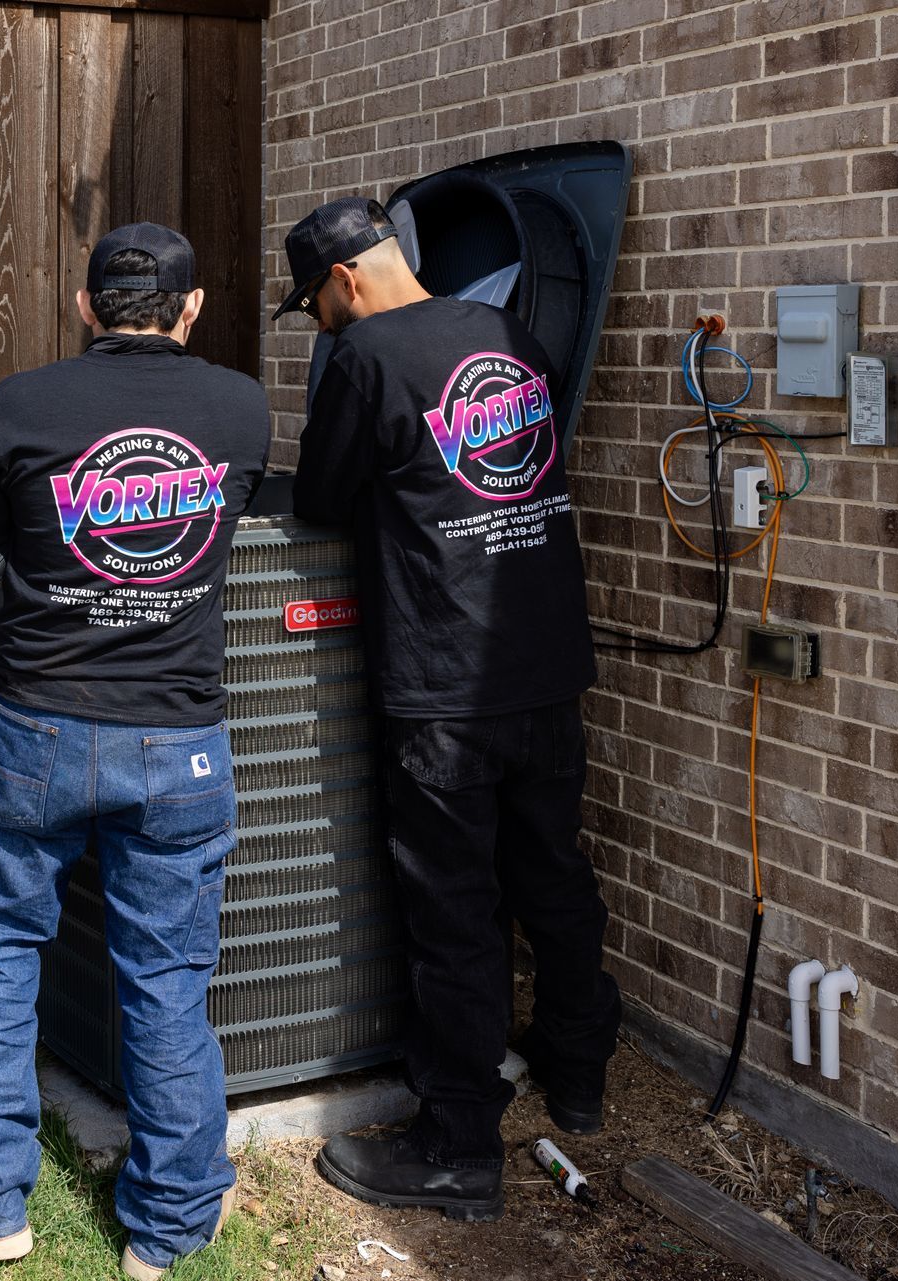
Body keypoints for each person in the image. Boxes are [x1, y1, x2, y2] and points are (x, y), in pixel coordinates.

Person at [0, 223, 269, 1278]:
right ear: (193, 308)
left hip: (35, 727)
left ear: (84, 309)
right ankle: (166, 1233)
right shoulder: (240, 409)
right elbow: (227, 531)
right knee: (166, 979)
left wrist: (27, 608)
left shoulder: (21, 406)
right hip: (178, 742)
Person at [274, 197, 621, 1222]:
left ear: (342, 282)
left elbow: (319, 501)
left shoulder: (367, 358)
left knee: (455, 910)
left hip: (444, 677)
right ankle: (579, 1070)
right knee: (553, 869)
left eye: (315, 308)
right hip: (547, 657)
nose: (322, 326)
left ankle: (457, 1142)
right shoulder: (504, 331)